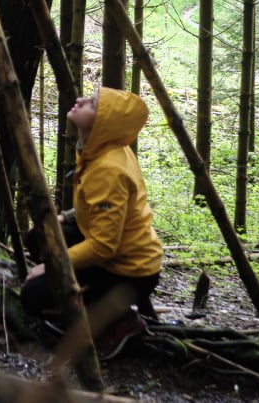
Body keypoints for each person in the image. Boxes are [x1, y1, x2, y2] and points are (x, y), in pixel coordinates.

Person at [20, 87, 163, 361]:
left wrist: (52, 266)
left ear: (102, 125)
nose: (80, 100)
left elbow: (104, 247)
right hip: (115, 252)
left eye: (92, 104)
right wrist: (66, 217)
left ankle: (120, 321)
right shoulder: (98, 150)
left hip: (129, 270)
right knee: (39, 237)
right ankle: (102, 305)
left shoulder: (109, 168)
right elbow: (99, 209)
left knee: (31, 297)